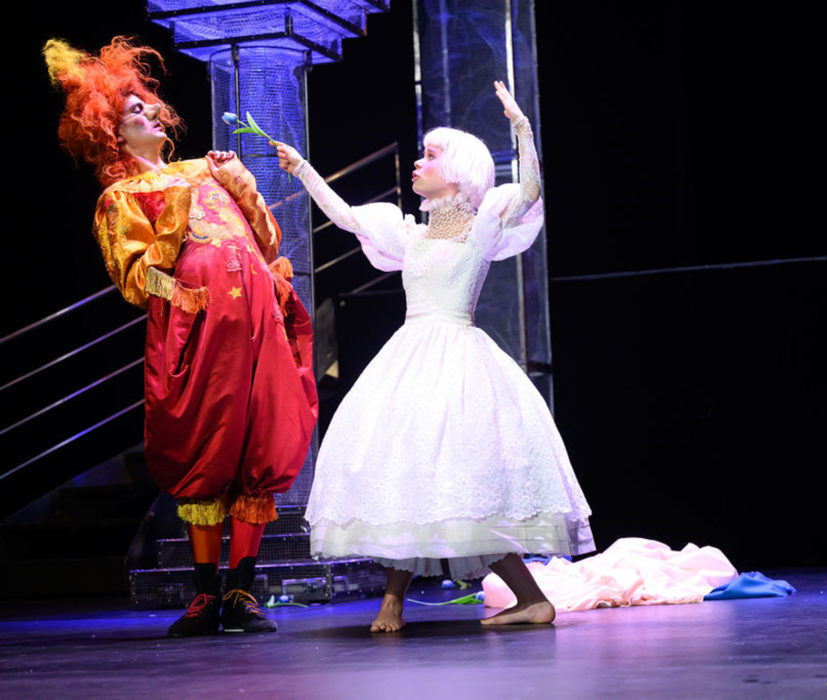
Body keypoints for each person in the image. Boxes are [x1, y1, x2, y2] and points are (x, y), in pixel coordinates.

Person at [274, 81, 594, 631]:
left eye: (430, 155)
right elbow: (347, 216)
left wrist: (521, 127)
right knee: (408, 474)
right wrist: (303, 169)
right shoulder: (411, 234)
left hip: (460, 362)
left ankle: (530, 598)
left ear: (459, 170)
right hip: (409, 358)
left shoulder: (484, 224)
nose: (419, 163)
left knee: (461, 483)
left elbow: (530, 190)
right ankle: (393, 601)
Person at [44, 36, 318, 636]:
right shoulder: (118, 199)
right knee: (205, 451)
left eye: (146, 104)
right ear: (112, 135)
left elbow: (265, 241)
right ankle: (204, 594)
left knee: (259, 445)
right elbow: (137, 279)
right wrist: (179, 248)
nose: (149, 111)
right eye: (132, 111)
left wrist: (242, 186)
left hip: (256, 326)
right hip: (197, 335)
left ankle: (242, 591)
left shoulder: (203, 169)